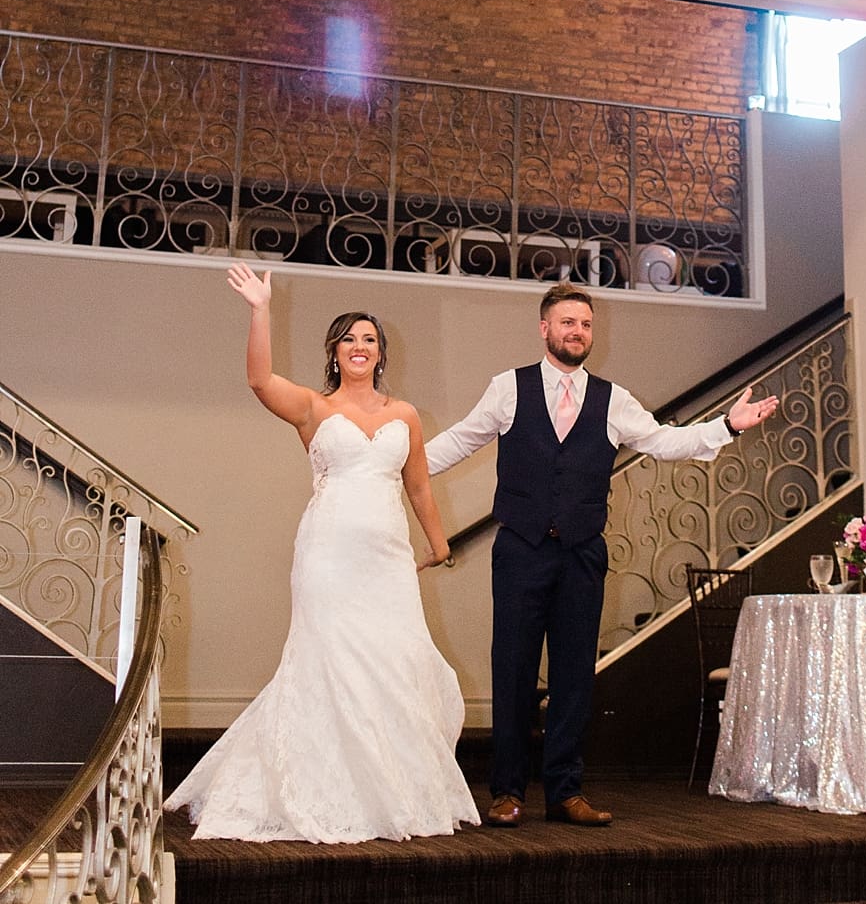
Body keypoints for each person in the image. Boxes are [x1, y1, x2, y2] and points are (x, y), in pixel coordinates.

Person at [424, 280, 778, 828]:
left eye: (586, 324)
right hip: (520, 550)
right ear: (544, 328)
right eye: (567, 322)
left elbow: (663, 441)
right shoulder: (508, 388)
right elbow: (459, 440)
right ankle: (507, 792)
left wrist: (727, 426)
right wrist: (395, 462)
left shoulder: (614, 399)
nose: (578, 332)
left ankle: (566, 791)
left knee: (573, 674)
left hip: (583, 554)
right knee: (512, 669)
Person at [165, 263, 479, 842]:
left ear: (380, 354)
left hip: (386, 559)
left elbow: (418, 486)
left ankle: (391, 793)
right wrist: (261, 309)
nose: (359, 347)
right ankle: (317, 791)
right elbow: (260, 380)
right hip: (327, 556)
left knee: (394, 662)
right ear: (334, 353)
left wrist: (438, 546)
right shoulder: (313, 407)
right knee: (329, 662)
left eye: (369, 340)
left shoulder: (404, 415)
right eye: (349, 339)